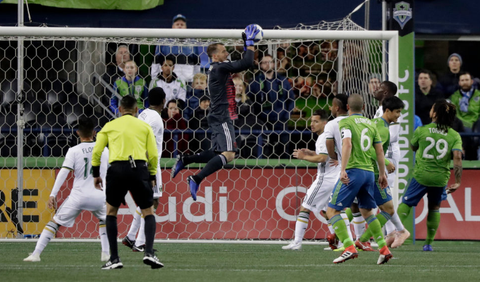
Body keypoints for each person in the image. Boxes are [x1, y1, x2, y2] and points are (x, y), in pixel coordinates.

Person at [170, 24, 259, 201]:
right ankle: (196, 178)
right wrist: (249, 43)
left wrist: (245, 43)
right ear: (215, 55)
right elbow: (247, 63)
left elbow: (241, 63)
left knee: (219, 154)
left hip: (218, 115)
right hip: (222, 116)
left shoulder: (218, 68)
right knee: (230, 154)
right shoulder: (219, 68)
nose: (227, 53)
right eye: (224, 51)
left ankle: (186, 159)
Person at [24, 117, 110, 262]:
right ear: (95, 133)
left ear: (77, 133)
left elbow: (63, 173)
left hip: (78, 197)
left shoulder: (74, 151)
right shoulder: (105, 150)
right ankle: (106, 253)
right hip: (99, 196)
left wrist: (53, 194)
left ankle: (36, 254)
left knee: (55, 222)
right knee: (105, 221)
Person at [92, 95, 162, 269]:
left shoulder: (109, 126)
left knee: (111, 212)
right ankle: (149, 254)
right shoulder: (144, 126)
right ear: (137, 110)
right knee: (148, 211)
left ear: (120, 110)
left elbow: (97, 151)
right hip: (138, 168)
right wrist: (152, 175)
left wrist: (95, 173)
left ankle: (114, 258)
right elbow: (153, 154)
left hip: (116, 169)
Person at [326, 94, 392, 265]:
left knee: (332, 211)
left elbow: (347, 144)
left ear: (347, 107)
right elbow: (379, 151)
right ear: (363, 108)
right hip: (369, 173)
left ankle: (348, 248)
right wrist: (383, 174)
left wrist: (342, 169)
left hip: (353, 171)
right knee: (367, 212)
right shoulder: (371, 124)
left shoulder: (345, 122)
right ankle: (384, 250)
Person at [397, 99, 462, 251]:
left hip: (421, 175)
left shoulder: (421, 130)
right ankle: (428, 244)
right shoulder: (454, 135)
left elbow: (413, 147)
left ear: (434, 114)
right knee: (434, 207)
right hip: (440, 178)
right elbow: (457, 158)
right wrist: (458, 181)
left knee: (406, 203)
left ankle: (395, 232)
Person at [282, 109, 351, 251]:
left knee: (305, 207)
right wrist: (312, 153)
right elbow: (326, 155)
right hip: (336, 177)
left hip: (325, 179)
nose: (312, 124)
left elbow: (323, 158)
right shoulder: (329, 135)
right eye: (311, 121)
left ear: (325, 123)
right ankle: (342, 243)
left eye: (316, 121)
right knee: (331, 211)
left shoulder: (324, 136)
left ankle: (297, 242)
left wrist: (304, 157)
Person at [355, 96, 410, 251]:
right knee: (388, 210)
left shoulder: (373, 123)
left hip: (363, 170)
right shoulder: (384, 130)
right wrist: (386, 164)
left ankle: (362, 240)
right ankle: (362, 240)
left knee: (366, 209)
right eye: (397, 112)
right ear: (387, 111)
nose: (399, 115)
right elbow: (371, 149)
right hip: (372, 174)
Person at [122, 87, 166, 252]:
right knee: (152, 201)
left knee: (145, 200)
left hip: (138, 161)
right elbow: (149, 145)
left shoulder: (143, 114)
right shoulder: (156, 120)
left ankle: (131, 237)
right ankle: (140, 242)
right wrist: (151, 171)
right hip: (149, 163)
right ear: (163, 100)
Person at [323, 94, 360, 249]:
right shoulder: (359, 123)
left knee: (333, 208)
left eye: (332, 105)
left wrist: (334, 157)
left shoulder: (332, 124)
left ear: (337, 107)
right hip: (363, 168)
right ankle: (361, 240)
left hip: (342, 169)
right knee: (358, 207)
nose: (331, 108)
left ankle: (346, 243)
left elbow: (329, 144)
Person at [373, 80, 404, 244]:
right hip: (382, 153)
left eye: (379, 88)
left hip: (388, 153)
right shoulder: (381, 110)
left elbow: (390, 136)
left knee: (384, 194)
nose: (375, 90)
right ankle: (392, 231)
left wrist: (386, 161)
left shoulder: (392, 112)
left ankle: (399, 230)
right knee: (382, 194)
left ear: (385, 92)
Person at [249, 54, 295, 158]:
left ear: (274, 64)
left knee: (283, 146)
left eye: (269, 62)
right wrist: (256, 117)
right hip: (262, 121)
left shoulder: (283, 81)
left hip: (281, 120)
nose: (267, 64)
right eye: (264, 62)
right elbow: (249, 100)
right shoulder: (255, 82)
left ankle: (284, 169)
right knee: (265, 147)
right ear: (260, 65)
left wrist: (287, 115)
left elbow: (291, 99)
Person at [151, 14, 204, 82]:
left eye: (182, 24)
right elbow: (156, 62)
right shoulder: (163, 41)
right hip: (167, 81)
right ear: (173, 26)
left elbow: (197, 63)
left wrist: (196, 80)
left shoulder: (192, 42)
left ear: (186, 27)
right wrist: (154, 79)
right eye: (177, 24)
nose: (179, 26)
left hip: (187, 81)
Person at [449, 71, 480, 160]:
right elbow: (453, 113)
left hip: (476, 124)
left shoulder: (478, 95)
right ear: (459, 83)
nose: (465, 82)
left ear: (472, 81)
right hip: (460, 126)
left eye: (467, 80)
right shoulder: (454, 96)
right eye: (462, 80)